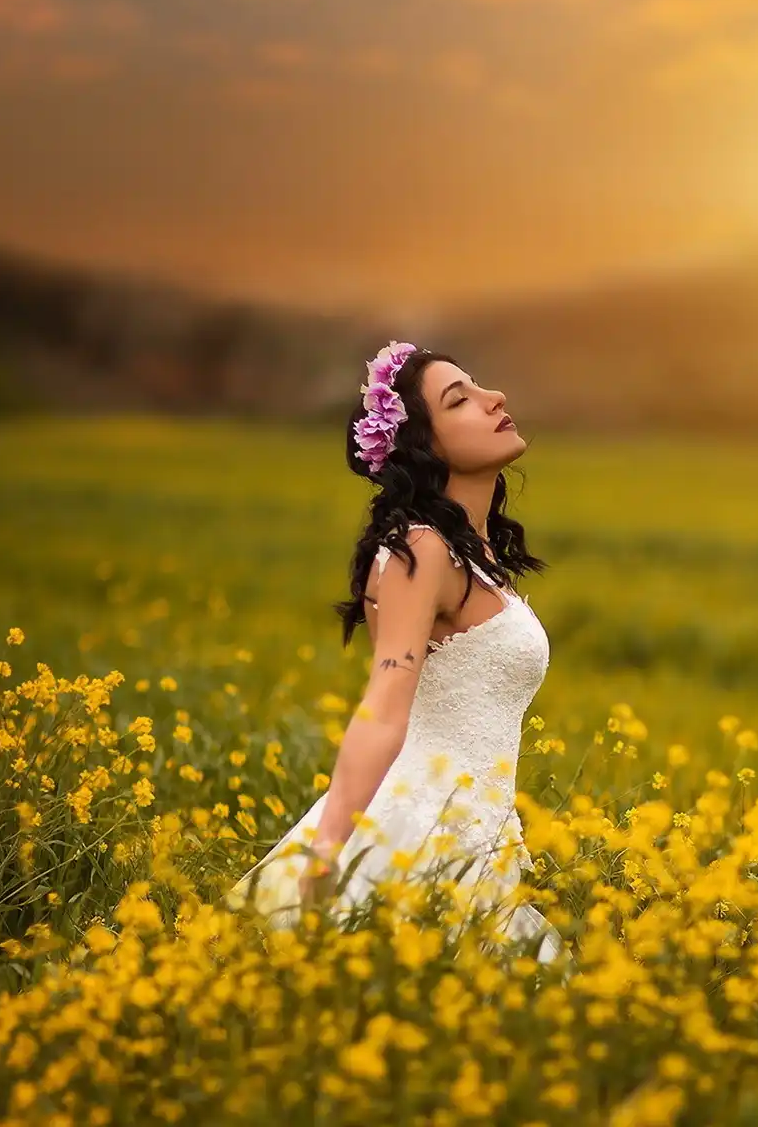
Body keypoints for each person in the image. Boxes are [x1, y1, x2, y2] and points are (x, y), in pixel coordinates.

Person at [222, 340, 565, 965]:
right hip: (419, 830)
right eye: (459, 399)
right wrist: (327, 852)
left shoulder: (474, 560)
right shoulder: (422, 550)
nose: (496, 399)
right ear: (424, 448)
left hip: (478, 835)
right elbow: (384, 706)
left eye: (480, 387)